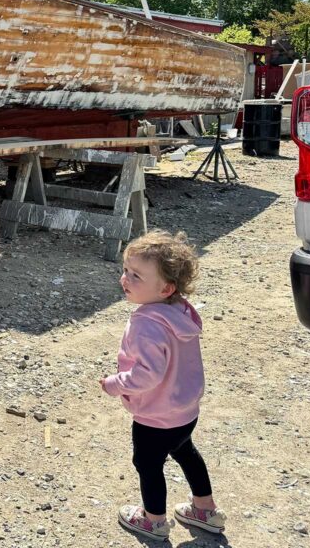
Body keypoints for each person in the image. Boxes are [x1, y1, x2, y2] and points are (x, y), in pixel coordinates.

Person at [100, 230, 226, 541]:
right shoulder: (181, 311)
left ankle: (153, 520)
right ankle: (205, 510)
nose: (125, 279)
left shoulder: (146, 324)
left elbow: (147, 375)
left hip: (155, 416)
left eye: (136, 276)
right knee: (186, 452)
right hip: (184, 410)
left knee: (148, 465)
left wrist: (115, 384)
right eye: (126, 270)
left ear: (166, 288)